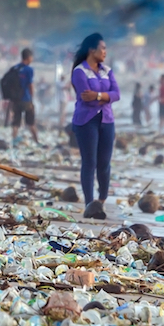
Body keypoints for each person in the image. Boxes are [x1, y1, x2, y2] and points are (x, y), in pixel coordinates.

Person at [69, 33, 119, 210]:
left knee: (104, 163)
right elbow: (87, 99)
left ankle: (102, 199)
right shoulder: (79, 72)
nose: (105, 51)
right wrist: (106, 97)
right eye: (102, 48)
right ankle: (89, 202)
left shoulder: (107, 71)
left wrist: (99, 95)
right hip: (86, 121)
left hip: (107, 120)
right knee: (89, 162)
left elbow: (117, 94)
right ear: (92, 50)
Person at [9, 48, 40, 145]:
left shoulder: (15, 68)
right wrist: (32, 98)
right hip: (26, 98)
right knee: (31, 122)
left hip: (16, 100)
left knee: (16, 122)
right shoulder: (29, 69)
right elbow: (30, 85)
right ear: (29, 57)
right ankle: (37, 141)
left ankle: (13, 141)